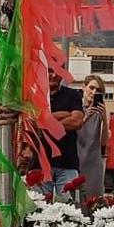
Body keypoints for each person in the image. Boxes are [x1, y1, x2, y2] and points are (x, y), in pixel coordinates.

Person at [41, 68, 86, 196]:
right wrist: (64, 115)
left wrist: (46, 120)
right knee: (38, 210)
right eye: (49, 71)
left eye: (57, 71)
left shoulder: (73, 95)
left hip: (68, 163)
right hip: (40, 164)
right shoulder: (35, 95)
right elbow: (32, 122)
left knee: (69, 210)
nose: (54, 75)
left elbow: (77, 122)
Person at [75, 74, 110, 198]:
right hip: (76, 158)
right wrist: (85, 118)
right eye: (92, 88)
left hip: (93, 161)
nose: (94, 92)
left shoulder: (101, 112)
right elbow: (71, 133)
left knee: (93, 199)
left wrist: (104, 120)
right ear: (83, 87)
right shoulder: (75, 107)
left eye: (98, 90)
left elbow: (104, 142)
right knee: (76, 199)